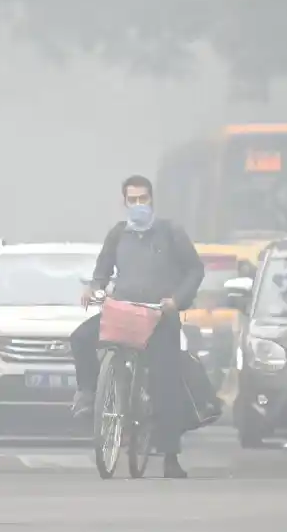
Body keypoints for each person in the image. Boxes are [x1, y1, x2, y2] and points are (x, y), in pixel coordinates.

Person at [69, 175, 205, 479]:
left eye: (144, 199)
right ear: (124, 202)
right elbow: (102, 268)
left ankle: (171, 456)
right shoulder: (118, 235)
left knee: (165, 383)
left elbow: (195, 269)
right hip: (122, 312)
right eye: (133, 200)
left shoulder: (171, 233)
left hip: (159, 316)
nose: (139, 205)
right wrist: (94, 287)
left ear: (152, 200)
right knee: (80, 338)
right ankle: (89, 394)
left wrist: (177, 299)